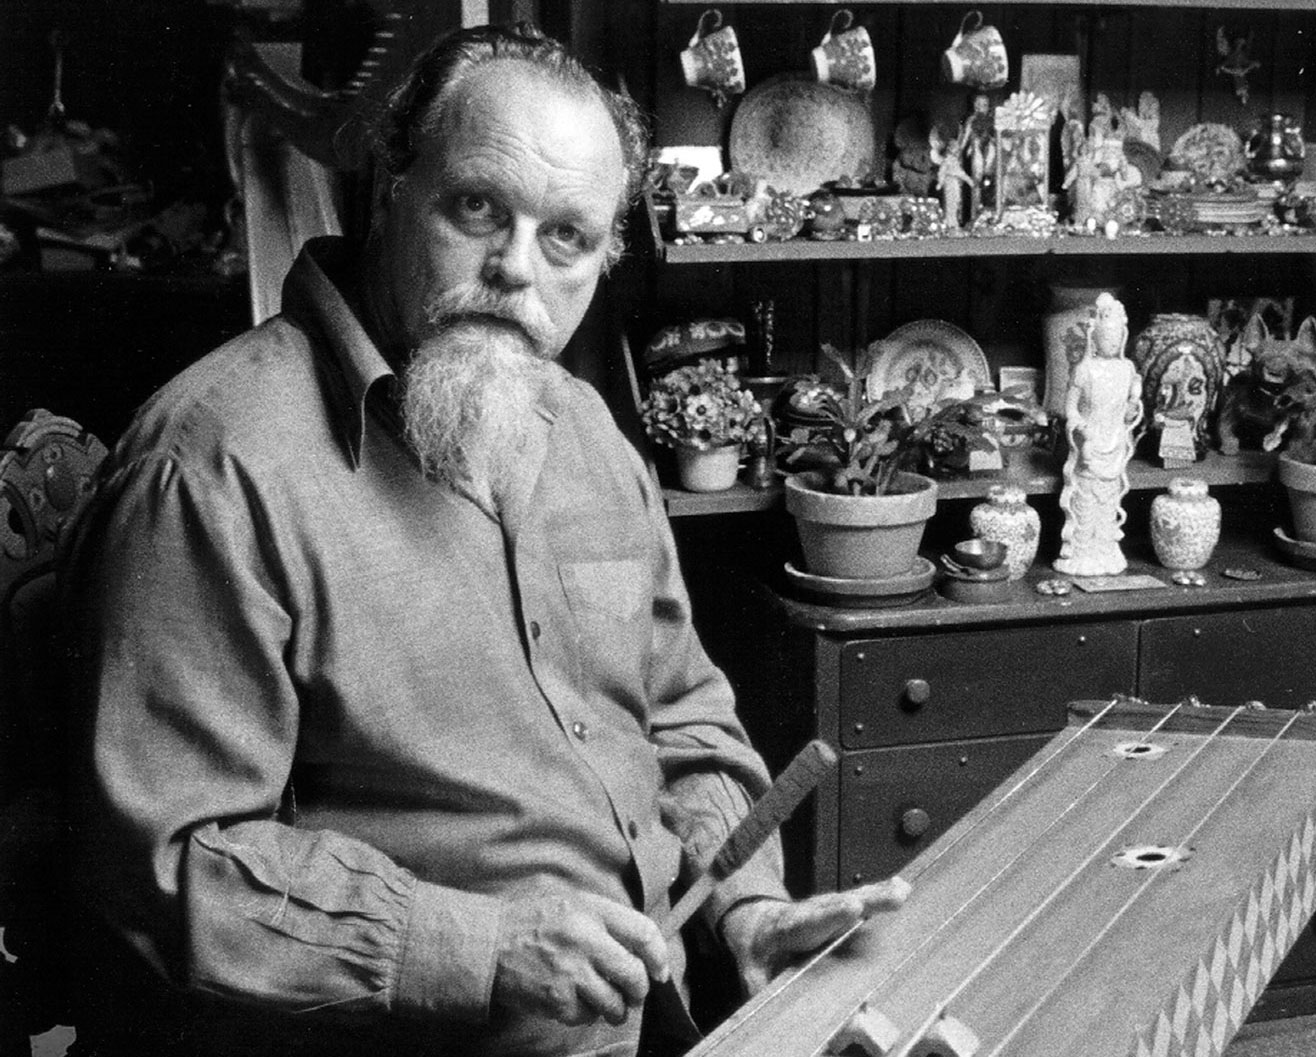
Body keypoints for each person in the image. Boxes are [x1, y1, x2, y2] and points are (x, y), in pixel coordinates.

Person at [60, 23, 902, 1057]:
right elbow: (163, 863)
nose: (515, 270)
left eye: (566, 239)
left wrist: (741, 905)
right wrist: (480, 944)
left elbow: (681, 720)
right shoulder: (213, 467)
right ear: (392, 187)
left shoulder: (586, 430)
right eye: (476, 207)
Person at [1055, 293, 1143, 577]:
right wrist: (1081, 428)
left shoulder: (1127, 369)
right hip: (1090, 445)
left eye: (1117, 338)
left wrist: (1132, 406)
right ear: (1095, 337)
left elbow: (1132, 402)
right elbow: (1071, 409)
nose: (1112, 343)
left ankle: (1104, 551)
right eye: (1106, 337)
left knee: (1109, 502)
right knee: (1086, 502)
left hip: (1115, 444)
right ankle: (1081, 553)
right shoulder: (1084, 369)